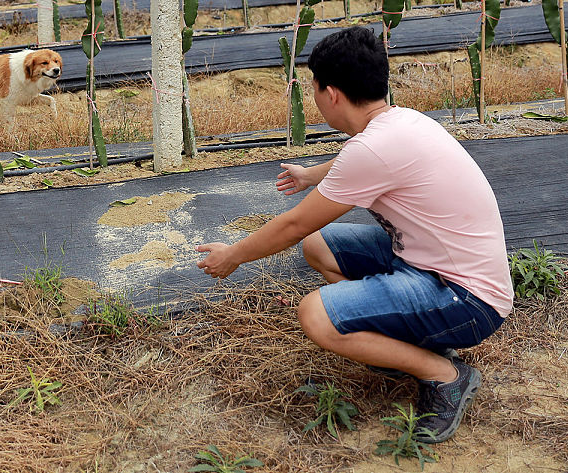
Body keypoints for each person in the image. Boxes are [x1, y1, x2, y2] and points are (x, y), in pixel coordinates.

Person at [195, 25, 513, 443]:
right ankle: (396, 342)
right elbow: (359, 162)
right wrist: (310, 175)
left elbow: (294, 224)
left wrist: (233, 254)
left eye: (313, 89)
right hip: (433, 264)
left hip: (467, 298)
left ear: (332, 94)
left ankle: (445, 374)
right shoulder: (400, 121)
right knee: (321, 247)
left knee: (316, 316)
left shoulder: (373, 149)